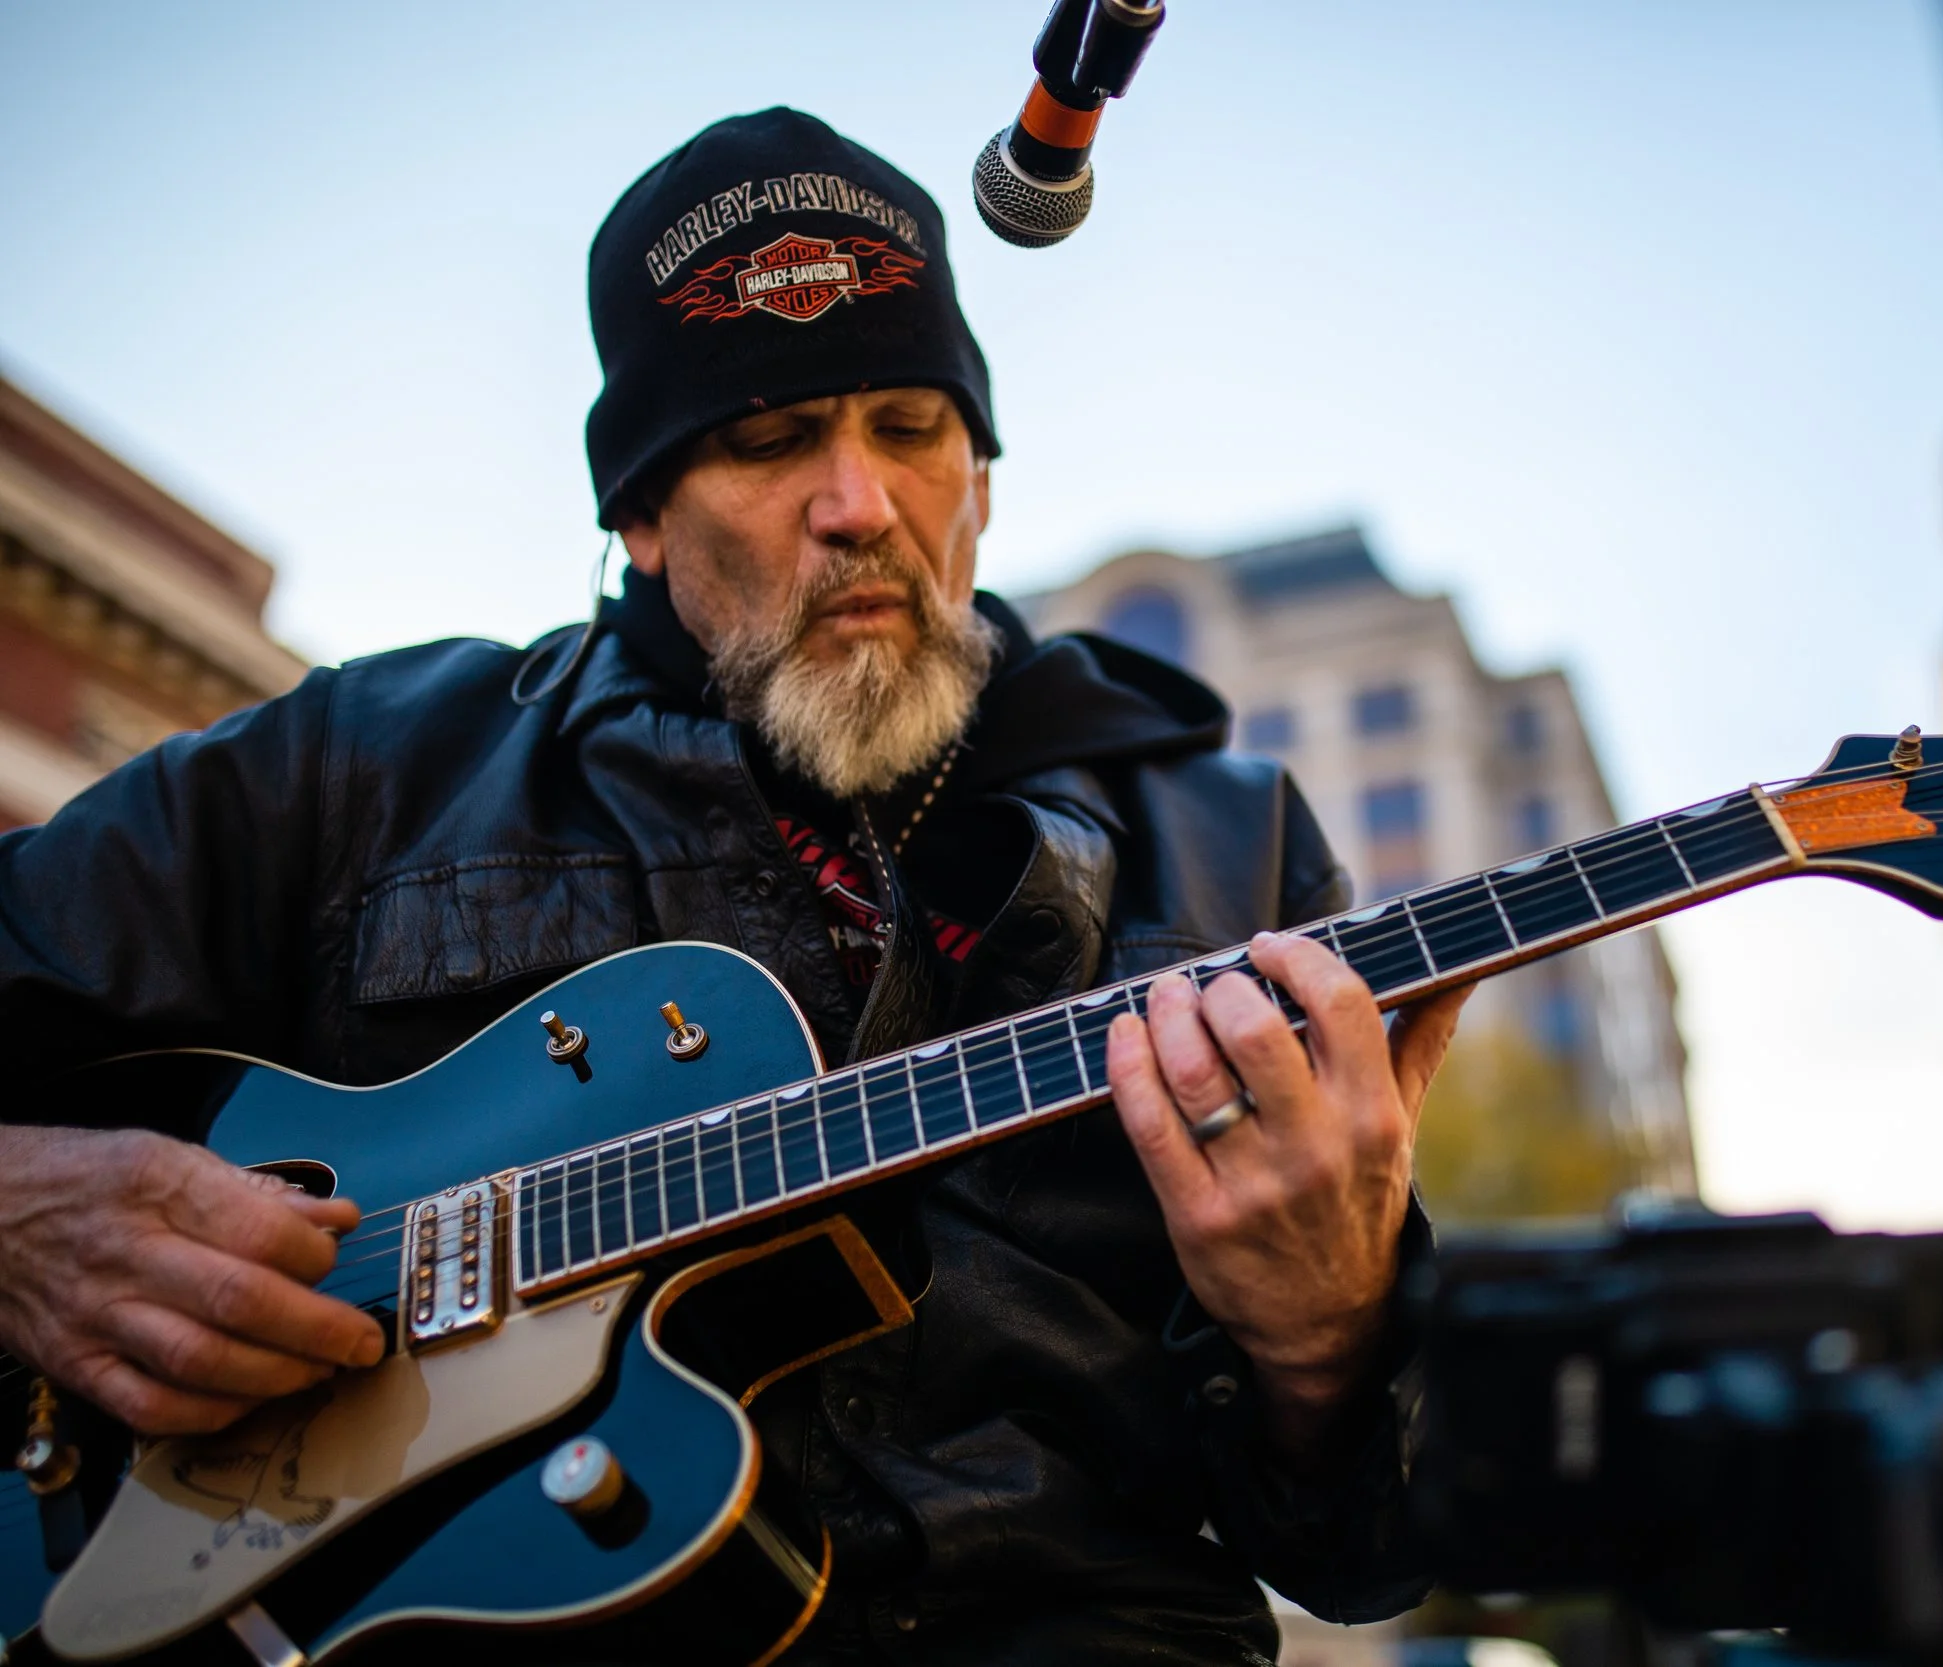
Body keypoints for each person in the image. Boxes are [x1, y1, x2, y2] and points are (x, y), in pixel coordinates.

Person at [0, 109, 1470, 1663]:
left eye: (911, 426)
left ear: (979, 476)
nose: (860, 504)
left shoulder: (1230, 845)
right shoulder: (362, 765)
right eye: (771, 442)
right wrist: (22, 1215)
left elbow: (1365, 1554)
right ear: (640, 512)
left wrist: (1331, 1331)